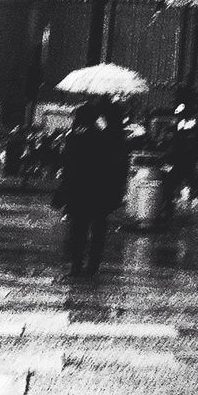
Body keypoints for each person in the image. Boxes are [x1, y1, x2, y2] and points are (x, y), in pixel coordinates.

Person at [53, 102, 129, 277]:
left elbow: (67, 165)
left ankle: (76, 265)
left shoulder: (74, 137)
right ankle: (93, 265)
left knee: (78, 229)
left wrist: (65, 187)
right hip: (100, 192)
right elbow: (114, 163)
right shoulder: (105, 138)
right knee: (98, 230)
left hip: (78, 190)